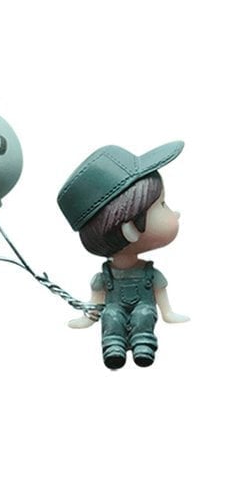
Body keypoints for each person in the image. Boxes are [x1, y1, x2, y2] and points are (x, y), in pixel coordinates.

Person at [58, 142, 188, 369]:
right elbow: (97, 303)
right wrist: (88, 318)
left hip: (144, 306)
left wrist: (168, 313)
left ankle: (143, 345)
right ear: (129, 228)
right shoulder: (104, 278)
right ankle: (113, 347)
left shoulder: (150, 274)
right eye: (162, 204)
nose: (174, 213)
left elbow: (160, 297)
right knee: (111, 316)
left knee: (144, 314)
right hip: (113, 308)